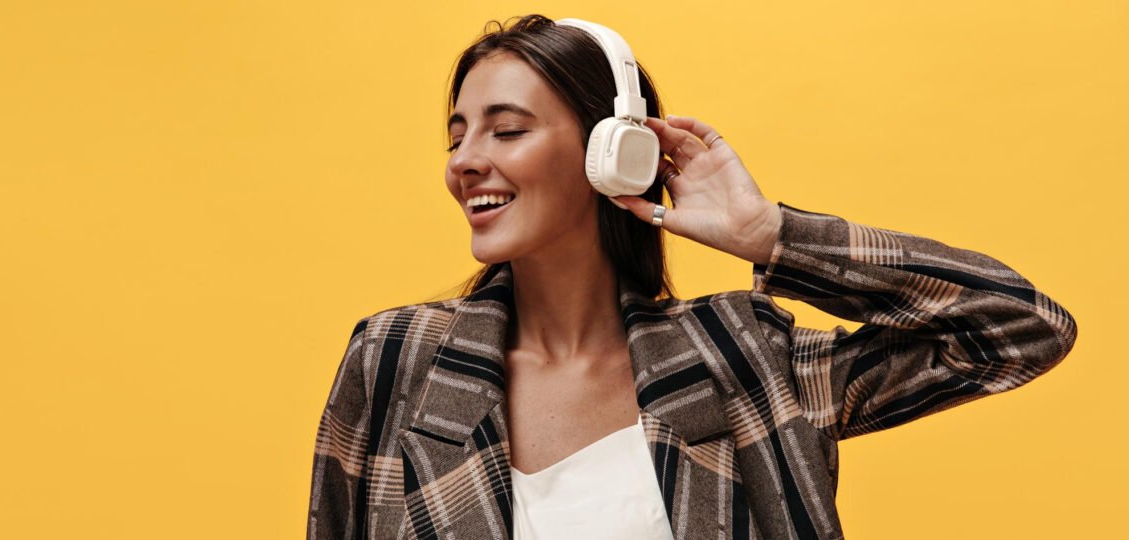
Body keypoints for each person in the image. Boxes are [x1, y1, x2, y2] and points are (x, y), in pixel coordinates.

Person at [306, 14, 1078, 540]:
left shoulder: (745, 363)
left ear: (612, 152)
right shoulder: (395, 362)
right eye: (457, 134)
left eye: (507, 129)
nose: (466, 158)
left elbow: (1019, 328)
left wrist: (770, 236)